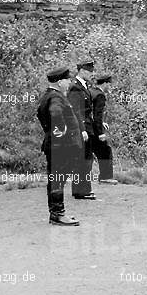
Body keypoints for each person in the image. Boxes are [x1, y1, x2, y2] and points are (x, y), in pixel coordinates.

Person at [36, 67, 85, 226]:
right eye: (68, 80)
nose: (70, 82)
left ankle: (56, 214)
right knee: (58, 180)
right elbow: (55, 114)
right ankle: (58, 214)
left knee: (56, 179)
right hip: (61, 148)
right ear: (59, 82)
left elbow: (41, 114)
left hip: (55, 146)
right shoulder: (56, 97)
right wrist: (61, 134)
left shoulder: (48, 96)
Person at [67, 58, 97, 200]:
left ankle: (82, 189)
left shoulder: (83, 86)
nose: (91, 74)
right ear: (81, 71)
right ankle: (81, 191)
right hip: (82, 128)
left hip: (87, 126)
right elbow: (76, 111)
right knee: (83, 159)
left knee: (86, 159)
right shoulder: (75, 87)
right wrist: (82, 129)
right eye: (88, 71)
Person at [90, 74, 118, 184]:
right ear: (105, 83)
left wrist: (101, 122)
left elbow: (89, 112)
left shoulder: (91, 91)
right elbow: (97, 114)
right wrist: (100, 132)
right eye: (109, 84)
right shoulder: (100, 95)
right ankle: (106, 177)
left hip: (87, 126)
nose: (110, 87)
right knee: (106, 151)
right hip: (94, 129)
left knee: (86, 152)